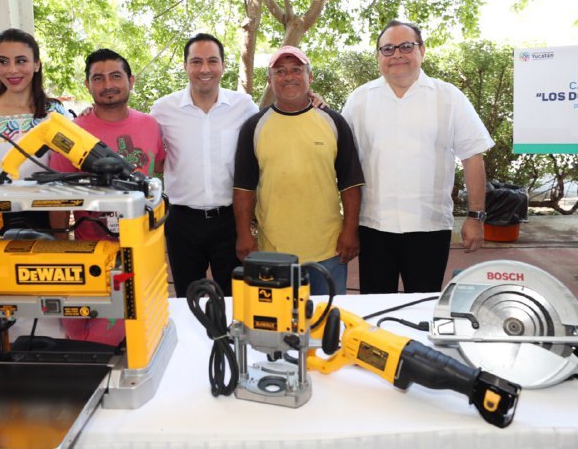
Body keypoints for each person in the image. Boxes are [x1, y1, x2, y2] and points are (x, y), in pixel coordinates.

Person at [341, 19, 494, 294]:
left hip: (429, 227)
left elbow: (472, 156)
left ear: (422, 50)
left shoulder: (449, 97)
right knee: (374, 311)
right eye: (387, 49)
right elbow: (342, 160)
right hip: (374, 226)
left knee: (423, 308)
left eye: (406, 46)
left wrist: (475, 217)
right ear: (378, 56)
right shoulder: (359, 100)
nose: (396, 54)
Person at [48, 48, 166, 345]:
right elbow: (58, 200)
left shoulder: (150, 125)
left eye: (116, 76)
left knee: (147, 338)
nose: (107, 84)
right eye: (98, 78)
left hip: (145, 254)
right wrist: (65, 255)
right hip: (95, 259)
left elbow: (157, 168)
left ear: (131, 80)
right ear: (88, 85)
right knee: (94, 345)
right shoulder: (73, 134)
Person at [233, 46, 364, 295]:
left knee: (326, 326)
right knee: (277, 328)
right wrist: (243, 235)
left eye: (297, 69)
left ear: (309, 77)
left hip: (328, 253)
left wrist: (350, 231)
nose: (289, 76)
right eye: (280, 71)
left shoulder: (333, 122)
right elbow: (244, 188)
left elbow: (350, 183)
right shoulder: (253, 127)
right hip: (273, 253)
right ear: (269, 81)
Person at [150, 33, 259, 297]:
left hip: (231, 221)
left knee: (236, 300)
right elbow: (139, 141)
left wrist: (313, 102)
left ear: (222, 65)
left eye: (212, 61)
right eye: (196, 61)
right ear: (186, 66)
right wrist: (90, 112)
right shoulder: (164, 109)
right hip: (181, 221)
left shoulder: (244, 106)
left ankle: (230, 341)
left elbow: (270, 135)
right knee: (189, 299)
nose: (205, 69)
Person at [0, 28, 68, 229]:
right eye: (3, 61)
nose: (12, 70)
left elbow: (68, 169)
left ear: (36, 64)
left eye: (21, 61)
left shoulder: (55, 113)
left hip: (51, 219)